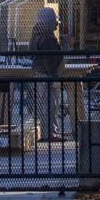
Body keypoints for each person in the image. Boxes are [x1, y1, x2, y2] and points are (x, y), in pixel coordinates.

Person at [28, 7, 63, 142]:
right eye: (54, 21)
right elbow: (50, 60)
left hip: (39, 73)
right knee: (50, 104)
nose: (56, 24)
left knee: (44, 105)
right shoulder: (48, 38)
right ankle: (50, 134)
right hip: (47, 75)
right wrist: (54, 76)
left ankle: (46, 132)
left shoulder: (36, 35)